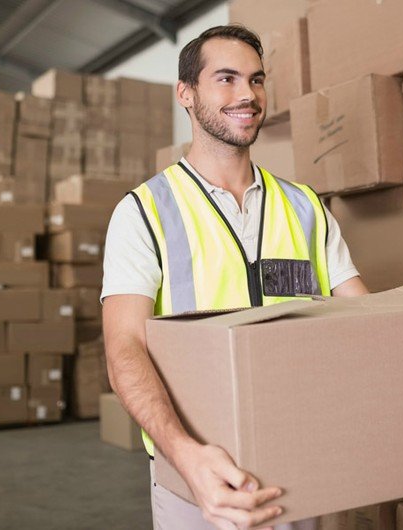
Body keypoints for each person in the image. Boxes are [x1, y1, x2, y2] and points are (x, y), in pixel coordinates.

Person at [101, 24, 369, 530]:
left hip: (303, 464)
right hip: (197, 477)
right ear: (186, 93)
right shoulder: (144, 212)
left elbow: (367, 322)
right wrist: (186, 456)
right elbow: (124, 349)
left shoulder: (305, 207)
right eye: (226, 78)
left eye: (256, 79)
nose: (247, 94)